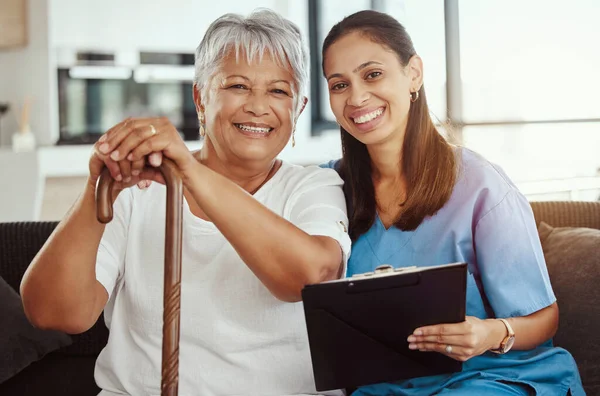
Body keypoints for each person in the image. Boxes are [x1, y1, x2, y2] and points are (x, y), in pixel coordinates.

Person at [20, 10, 350, 396]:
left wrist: (191, 174)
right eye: (238, 86)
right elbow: (55, 313)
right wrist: (98, 187)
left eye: (279, 91)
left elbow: (308, 278)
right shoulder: (138, 191)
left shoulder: (313, 186)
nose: (259, 106)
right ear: (200, 97)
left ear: (299, 109)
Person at [321, 10, 584, 395]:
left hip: (493, 377)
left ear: (413, 74)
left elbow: (545, 319)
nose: (357, 97)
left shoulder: (479, 184)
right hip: (389, 388)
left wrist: (491, 333)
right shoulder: (328, 187)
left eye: (372, 74)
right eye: (339, 84)